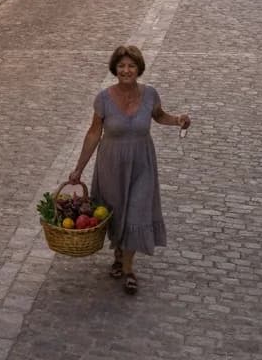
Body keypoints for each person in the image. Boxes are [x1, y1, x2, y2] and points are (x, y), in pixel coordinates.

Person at [67, 45, 190, 295]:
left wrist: (177, 119)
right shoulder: (103, 98)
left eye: (131, 66)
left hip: (142, 162)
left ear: (138, 69)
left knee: (136, 211)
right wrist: (78, 168)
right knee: (116, 212)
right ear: (115, 69)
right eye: (122, 66)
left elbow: (159, 116)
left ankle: (129, 269)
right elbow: (93, 134)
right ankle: (119, 254)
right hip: (111, 163)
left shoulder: (150, 94)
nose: (126, 70)